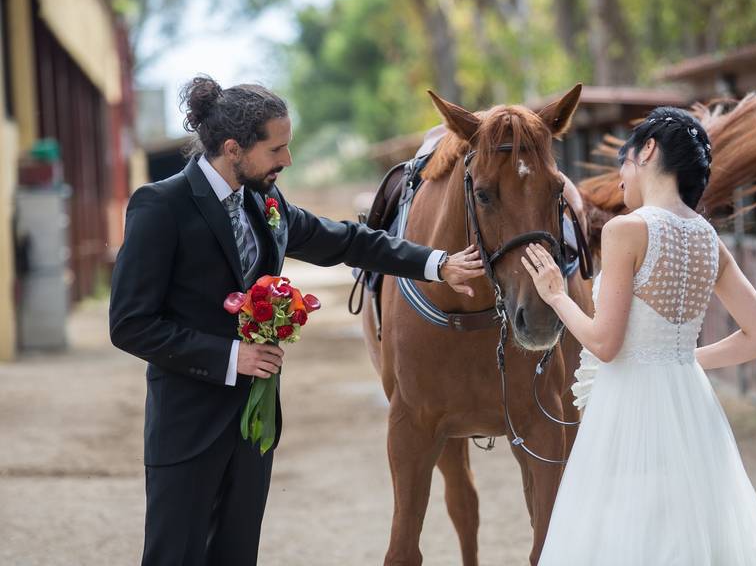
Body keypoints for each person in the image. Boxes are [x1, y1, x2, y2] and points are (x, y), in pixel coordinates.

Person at [109, 75, 484, 565]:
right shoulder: (160, 206)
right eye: (277, 149)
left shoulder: (266, 202)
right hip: (187, 425)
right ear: (232, 148)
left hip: (255, 424)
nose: (287, 160)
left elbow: (349, 241)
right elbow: (131, 323)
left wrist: (438, 263)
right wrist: (231, 356)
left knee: (237, 554)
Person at [522, 107, 756, 565]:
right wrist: (678, 362)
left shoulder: (628, 230)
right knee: (689, 527)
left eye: (623, 161)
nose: (620, 176)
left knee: (628, 531)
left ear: (647, 151)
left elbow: (605, 345)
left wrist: (555, 297)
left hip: (630, 407)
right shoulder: (708, 237)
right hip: (691, 403)